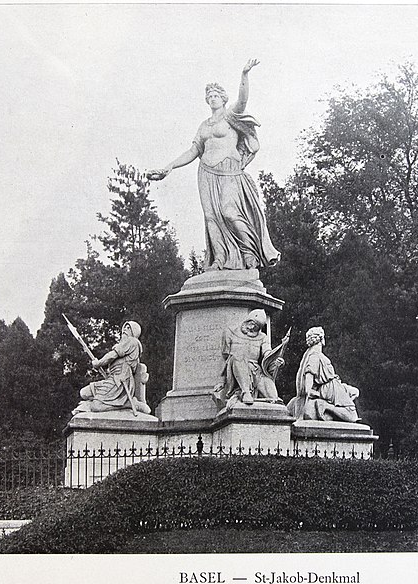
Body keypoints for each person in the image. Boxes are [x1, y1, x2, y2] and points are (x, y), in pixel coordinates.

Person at [147, 59, 280, 271]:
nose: (212, 99)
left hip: (229, 171)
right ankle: (218, 259)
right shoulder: (203, 126)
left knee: (229, 212)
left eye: (215, 95)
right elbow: (193, 151)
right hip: (206, 173)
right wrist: (169, 167)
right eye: (209, 97)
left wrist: (244, 74)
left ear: (223, 98)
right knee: (211, 217)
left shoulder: (231, 115)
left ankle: (249, 253)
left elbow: (243, 100)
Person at [73, 321, 151, 416]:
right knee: (84, 393)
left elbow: (112, 355)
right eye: (124, 327)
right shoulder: (124, 345)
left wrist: (98, 363)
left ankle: (129, 404)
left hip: (121, 381)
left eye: (128, 328)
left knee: (96, 406)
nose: (125, 330)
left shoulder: (132, 341)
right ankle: (112, 402)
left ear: (134, 331)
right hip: (112, 379)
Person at [286, 327, 360, 423]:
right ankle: (327, 406)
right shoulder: (314, 356)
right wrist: (318, 395)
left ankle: (338, 409)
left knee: (355, 392)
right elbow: (308, 388)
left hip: (334, 385)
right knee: (352, 416)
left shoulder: (311, 354)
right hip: (330, 389)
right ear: (321, 339)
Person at [216, 309, 284, 409]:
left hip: (255, 370)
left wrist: (276, 360)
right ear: (247, 321)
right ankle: (245, 391)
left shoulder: (262, 337)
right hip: (235, 366)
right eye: (251, 324)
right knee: (237, 356)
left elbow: (267, 353)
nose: (252, 328)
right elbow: (224, 357)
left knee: (273, 398)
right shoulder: (230, 331)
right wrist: (221, 381)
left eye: (256, 327)